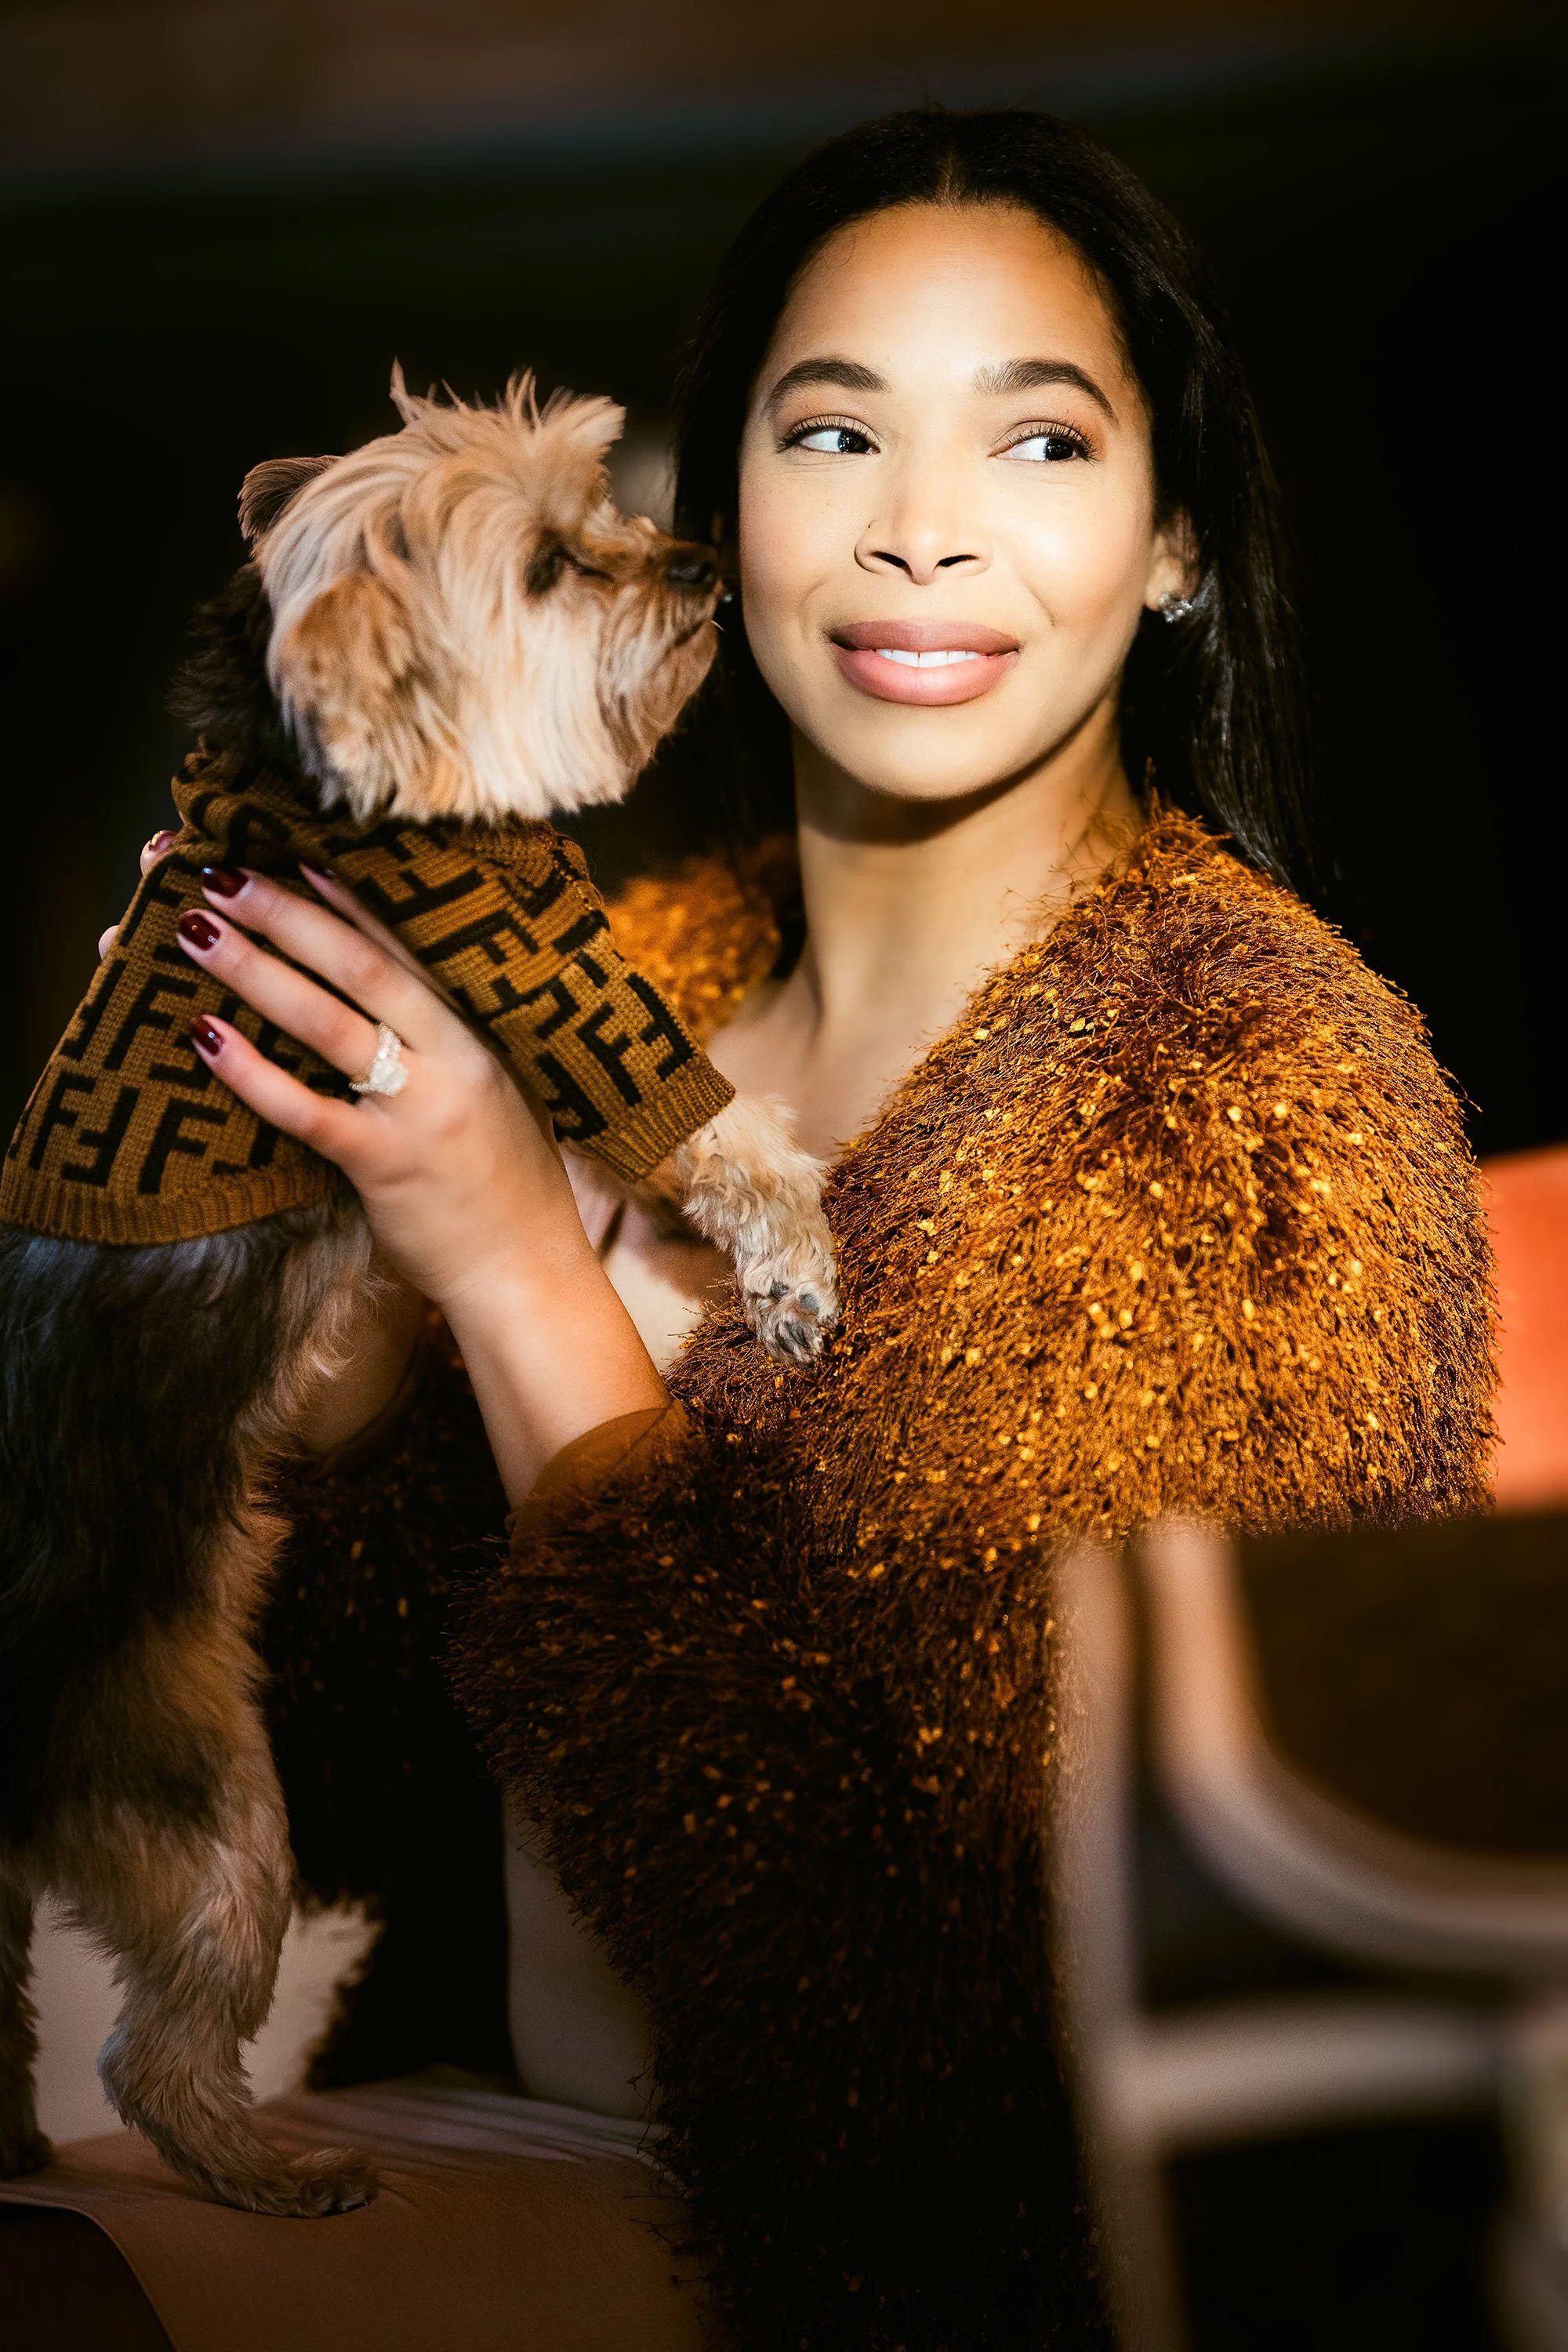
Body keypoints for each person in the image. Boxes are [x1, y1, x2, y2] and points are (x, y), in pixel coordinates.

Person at [12, 106, 1494, 2351]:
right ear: (722, 515)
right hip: (487, 2131)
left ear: (1176, 539)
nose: (920, 529)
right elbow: (356, 1796)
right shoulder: (633, 975)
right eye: (834, 432)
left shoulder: (1253, 1085)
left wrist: (516, 1264)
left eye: (1039, 441)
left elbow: (955, 1994)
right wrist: (285, 1335)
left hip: (916, 2254)